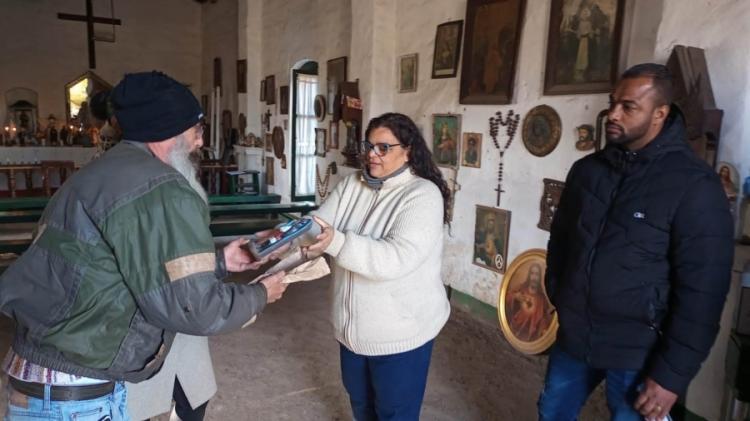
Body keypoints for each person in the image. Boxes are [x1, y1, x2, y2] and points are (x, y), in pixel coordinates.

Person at [0, 71, 289, 420]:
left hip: (44, 379)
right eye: (197, 130)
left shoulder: (98, 173)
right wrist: (260, 295)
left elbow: (118, 269)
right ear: (170, 129)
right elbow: (194, 308)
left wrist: (220, 262)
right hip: (75, 394)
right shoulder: (161, 189)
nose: (199, 142)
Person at [539, 63, 734, 421]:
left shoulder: (694, 186)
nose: (612, 114)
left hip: (641, 351)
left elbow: (703, 293)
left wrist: (672, 375)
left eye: (628, 107)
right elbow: (561, 241)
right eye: (613, 103)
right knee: (551, 412)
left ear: (660, 113)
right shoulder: (587, 171)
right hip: (576, 335)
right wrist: (561, 293)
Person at [304, 112, 451, 420]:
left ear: (408, 150)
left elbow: (395, 258)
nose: (372, 154)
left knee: (394, 413)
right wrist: (282, 237)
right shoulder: (352, 185)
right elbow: (318, 225)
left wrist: (336, 242)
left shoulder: (422, 195)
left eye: (383, 147)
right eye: (369, 145)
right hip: (352, 332)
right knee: (361, 406)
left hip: (400, 334)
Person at [505, 263, 552, 342]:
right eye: (532, 273)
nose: (534, 277)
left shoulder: (542, 299)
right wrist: (515, 296)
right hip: (514, 329)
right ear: (529, 275)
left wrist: (544, 330)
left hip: (530, 337)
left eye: (536, 274)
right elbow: (507, 296)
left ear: (539, 277)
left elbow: (543, 319)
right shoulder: (521, 288)